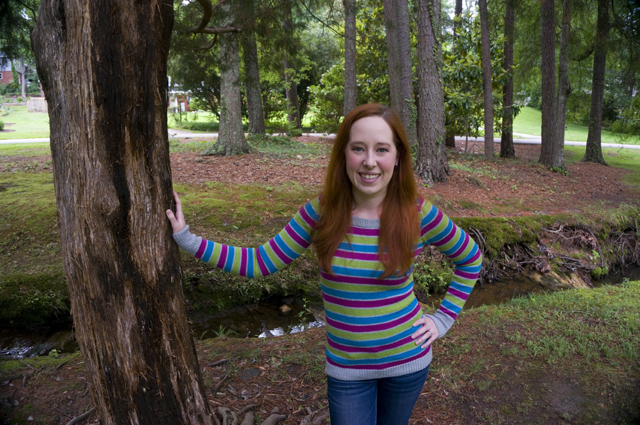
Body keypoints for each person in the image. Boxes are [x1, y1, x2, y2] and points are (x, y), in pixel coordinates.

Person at [166, 103, 482, 425]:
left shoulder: (418, 213)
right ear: (344, 154)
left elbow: (470, 257)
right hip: (347, 372)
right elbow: (260, 262)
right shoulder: (320, 213)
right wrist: (188, 240)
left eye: (381, 149)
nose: (369, 161)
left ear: (398, 156)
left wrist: (442, 320)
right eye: (358, 148)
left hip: (408, 362)